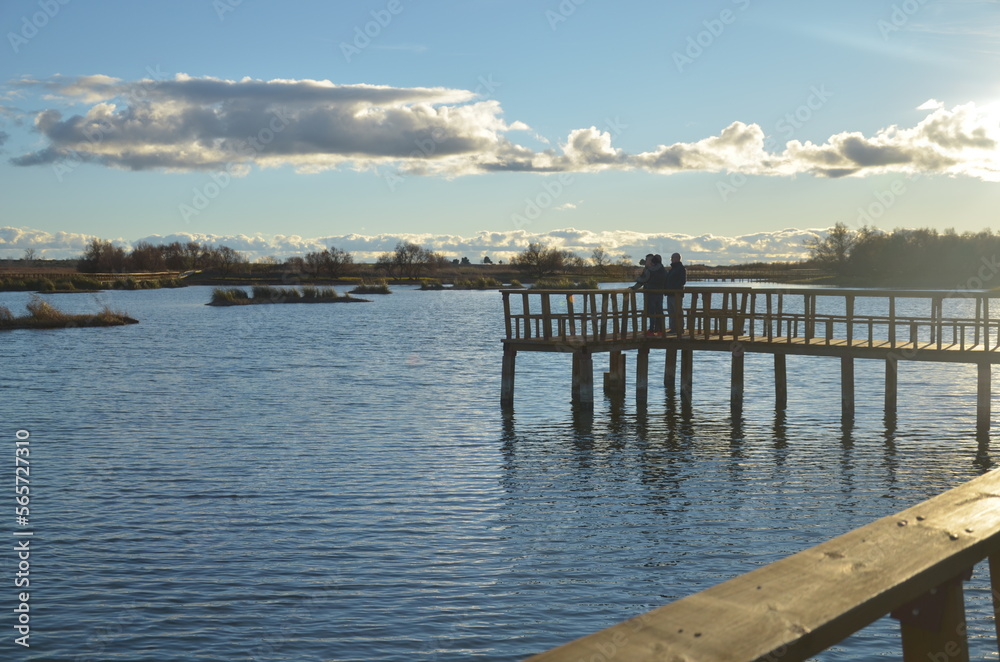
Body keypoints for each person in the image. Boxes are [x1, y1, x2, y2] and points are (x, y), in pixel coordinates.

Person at [631, 253, 668, 335]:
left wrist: (634, 285)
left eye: (647, 259)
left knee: (651, 312)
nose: (646, 261)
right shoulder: (662, 269)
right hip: (660, 293)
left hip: (650, 292)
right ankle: (660, 330)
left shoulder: (649, 270)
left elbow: (643, 280)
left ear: (651, 261)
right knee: (659, 311)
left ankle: (651, 330)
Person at [665, 252, 687, 335]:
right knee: (671, 312)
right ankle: (673, 328)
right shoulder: (672, 269)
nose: (671, 259)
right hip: (670, 294)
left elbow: (682, 281)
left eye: (672, 258)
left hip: (677, 294)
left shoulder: (681, 269)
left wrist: (673, 287)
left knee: (678, 311)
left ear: (677, 258)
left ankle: (680, 328)